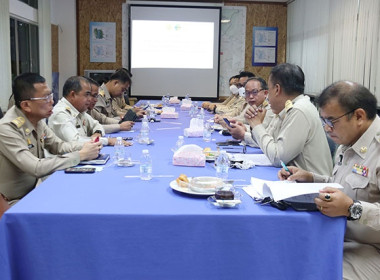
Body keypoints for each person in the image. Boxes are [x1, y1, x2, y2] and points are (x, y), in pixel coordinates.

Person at [278, 81, 380, 279]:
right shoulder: (349, 140)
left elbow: (352, 200)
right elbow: (346, 184)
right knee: (283, 257)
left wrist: (352, 208)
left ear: (359, 116)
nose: (326, 128)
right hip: (337, 236)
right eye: (323, 121)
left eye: (331, 121)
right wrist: (311, 178)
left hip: (370, 249)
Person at [0, 73, 101, 205]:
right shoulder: (7, 128)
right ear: (26, 105)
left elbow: (58, 146)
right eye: (45, 98)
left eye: (50, 95)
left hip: (35, 191)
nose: (52, 101)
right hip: (14, 202)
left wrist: (88, 146)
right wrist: (79, 156)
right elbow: (35, 167)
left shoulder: (36, 119)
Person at [245, 63, 332, 175]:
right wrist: (256, 126)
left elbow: (277, 158)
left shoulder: (298, 110)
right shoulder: (286, 108)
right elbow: (269, 145)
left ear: (277, 89)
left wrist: (257, 125)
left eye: (269, 90)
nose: (267, 97)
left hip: (311, 186)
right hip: (293, 179)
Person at [49, 76, 131, 146]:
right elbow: (76, 141)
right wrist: (108, 141)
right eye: (87, 94)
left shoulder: (79, 111)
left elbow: (97, 125)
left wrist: (97, 133)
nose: (90, 99)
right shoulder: (60, 114)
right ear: (73, 95)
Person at [222, 77, 275, 147]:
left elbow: (263, 137)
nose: (251, 96)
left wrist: (243, 134)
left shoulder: (270, 109)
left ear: (265, 93)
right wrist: (243, 127)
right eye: (247, 93)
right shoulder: (253, 105)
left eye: (255, 92)